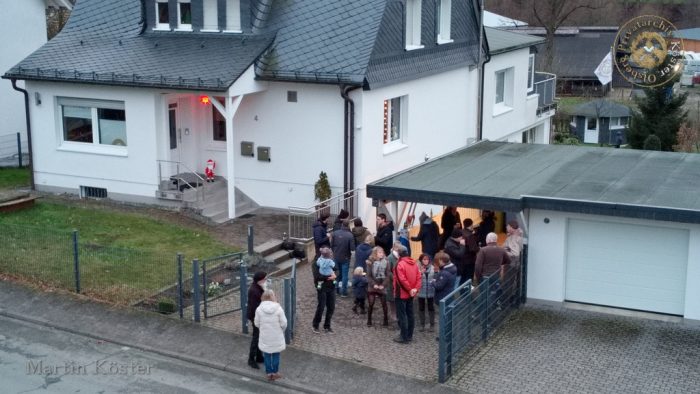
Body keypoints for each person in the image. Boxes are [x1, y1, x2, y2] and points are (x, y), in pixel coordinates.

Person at [254, 290, 287, 381]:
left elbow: (256, 323)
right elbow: (284, 323)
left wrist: (263, 328)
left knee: (267, 355)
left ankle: (269, 373)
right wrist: (281, 330)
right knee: (276, 354)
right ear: (273, 297)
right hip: (276, 337)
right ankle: (275, 373)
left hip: (265, 337)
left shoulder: (259, 309)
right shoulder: (279, 309)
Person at [393, 245, 421, 343]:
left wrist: (409, 290)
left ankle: (403, 337)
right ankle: (409, 335)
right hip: (411, 293)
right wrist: (415, 290)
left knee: (402, 315)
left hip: (401, 294)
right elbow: (419, 277)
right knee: (410, 314)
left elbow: (401, 281)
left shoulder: (399, 264)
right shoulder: (414, 263)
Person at [312, 252, 337, 334]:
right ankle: (315, 325)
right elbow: (317, 277)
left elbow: (337, 270)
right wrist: (330, 277)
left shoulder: (330, 261)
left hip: (331, 287)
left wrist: (335, 275)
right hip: (321, 288)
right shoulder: (316, 264)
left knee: (331, 307)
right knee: (321, 307)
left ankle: (327, 326)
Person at [246, 271, 267, 369]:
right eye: (264, 279)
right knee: (256, 337)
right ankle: (251, 359)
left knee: (259, 337)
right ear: (260, 280)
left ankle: (259, 356)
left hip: (257, 317)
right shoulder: (255, 291)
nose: (266, 280)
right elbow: (256, 307)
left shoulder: (258, 287)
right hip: (256, 318)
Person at [365, 246, 389, 327]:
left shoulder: (386, 262)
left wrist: (383, 285)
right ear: (375, 253)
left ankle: (386, 320)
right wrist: (373, 284)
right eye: (380, 252)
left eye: (382, 252)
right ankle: (369, 320)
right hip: (372, 286)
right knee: (371, 303)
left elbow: (387, 275)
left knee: (384, 304)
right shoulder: (370, 262)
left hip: (382, 286)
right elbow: (368, 276)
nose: (382, 254)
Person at [330, 219, 355, 297]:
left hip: (336, 256)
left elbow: (331, 245)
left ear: (342, 225)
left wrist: (335, 251)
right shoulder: (350, 235)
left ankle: (336, 290)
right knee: (344, 275)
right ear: (348, 225)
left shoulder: (335, 233)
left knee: (336, 274)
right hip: (345, 258)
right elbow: (352, 248)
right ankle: (343, 292)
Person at [416, 253, 436, 332]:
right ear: (421, 260)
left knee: (431, 308)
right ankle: (422, 324)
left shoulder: (433, 268)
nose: (426, 261)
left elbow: (436, 278)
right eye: (424, 259)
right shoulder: (417, 268)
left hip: (431, 291)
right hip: (421, 291)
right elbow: (414, 278)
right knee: (421, 308)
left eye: (427, 259)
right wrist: (420, 273)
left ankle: (432, 324)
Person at [385, 241, 403, 327]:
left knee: (398, 299)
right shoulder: (390, 258)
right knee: (392, 300)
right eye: (398, 248)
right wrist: (396, 278)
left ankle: (398, 315)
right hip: (392, 282)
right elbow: (388, 271)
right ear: (394, 248)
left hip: (400, 282)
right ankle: (393, 316)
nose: (399, 250)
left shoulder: (401, 257)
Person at [462, 218, 480, 285]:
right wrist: (478, 248)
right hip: (469, 260)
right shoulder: (470, 235)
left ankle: (462, 292)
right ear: (471, 225)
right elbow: (473, 249)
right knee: (469, 277)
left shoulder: (461, 232)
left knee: (463, 277)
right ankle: (467, 292)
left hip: (462, 258)